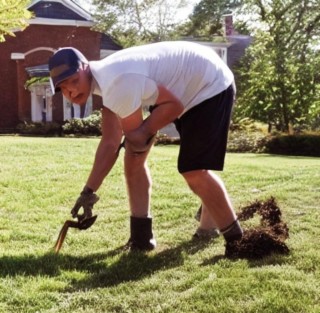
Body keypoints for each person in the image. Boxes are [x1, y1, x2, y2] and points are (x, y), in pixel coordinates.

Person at [48, 41, 243, 251]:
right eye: (63, 88)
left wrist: (141, 134)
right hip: (186, 88)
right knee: (140, 158)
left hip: (208, 84)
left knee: (193, 170)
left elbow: (164, 115)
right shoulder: (106, 81)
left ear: (85, 67)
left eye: (74, 80)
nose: (71, 91)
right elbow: (110, 141)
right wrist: (88, 192)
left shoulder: (116, 82)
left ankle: (238, 241)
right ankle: (157, 236)